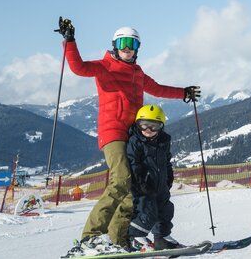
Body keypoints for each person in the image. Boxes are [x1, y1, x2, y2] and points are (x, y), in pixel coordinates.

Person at [57, 18, 201, 255]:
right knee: (121, 178)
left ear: (137, 48)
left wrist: (183, 93)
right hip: (112, 131)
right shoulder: (104, 67)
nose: (127, 48)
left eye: (132, 44)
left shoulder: (138, 73)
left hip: (133, 134)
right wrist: (70, 41)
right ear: (114, 45)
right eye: (123, 43)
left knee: (131, 191)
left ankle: (118, 240)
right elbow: (78, 67)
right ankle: (90, 237)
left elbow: (158, 88)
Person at [126, 105, 180, 252]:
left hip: (161, 185)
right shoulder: (135, 142)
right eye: (144, 126)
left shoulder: (163, 141)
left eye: (154, 126)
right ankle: (135, 237)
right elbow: (133, 163)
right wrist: (140, 182)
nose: (148, 130)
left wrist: (169, 177)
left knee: (166, 210)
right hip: (143, 186)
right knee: (147, 211)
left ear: (161, 127)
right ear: (137, 125)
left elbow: (166, 161)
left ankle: (162, 238)